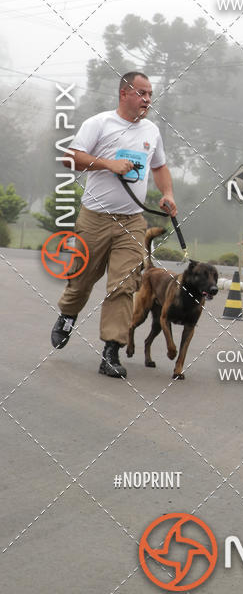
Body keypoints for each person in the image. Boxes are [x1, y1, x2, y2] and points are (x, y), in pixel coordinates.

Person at [50, 72, 176, 378]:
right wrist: (109, 164)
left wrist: (168, 193)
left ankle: (111, 351)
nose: (147, 99)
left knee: (124, 285)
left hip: (132, 221)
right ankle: (68, 315)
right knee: (81, 281)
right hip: (95, 217)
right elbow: (71, 158)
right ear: (124, 94)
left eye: (150, 94)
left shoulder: (152, 131)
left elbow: (158, 166)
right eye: (142, 93)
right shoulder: (99, 123)